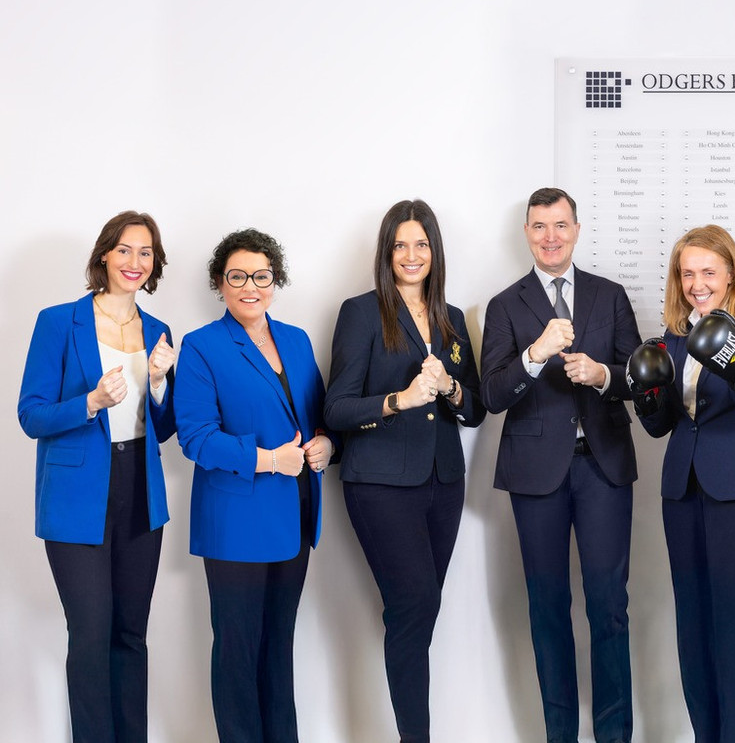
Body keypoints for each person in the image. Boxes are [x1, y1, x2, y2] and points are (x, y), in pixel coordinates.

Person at [480, 187, 641, 743]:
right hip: (536, 473)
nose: (551, 237)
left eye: (560, 225)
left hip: (603, 466)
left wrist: (603, 377)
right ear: (527, 232)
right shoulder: (505, 305)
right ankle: (559, 735)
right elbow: (493, 394)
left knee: (609, 605)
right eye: (539, 226)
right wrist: (534, 354)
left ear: (577, 229)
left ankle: (615, 734)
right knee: (548, 606)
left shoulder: (610, 295)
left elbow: (640, 375)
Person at [324, 199, 485, 742]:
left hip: (444, 480)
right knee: (414, 602)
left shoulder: (453, 319)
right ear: (386, 253)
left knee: (418, 611)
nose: (412, 255)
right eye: (401, 245)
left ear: (435, 251)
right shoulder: (362, 312)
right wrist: (402, 398)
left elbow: (475, 409)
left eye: (422, 244)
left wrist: (451, 388)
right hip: (380, 485)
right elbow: (337, 408)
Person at [18, 210, 176, 742]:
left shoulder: (158, 332)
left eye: (146, 252)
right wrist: (89, 403)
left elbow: (166, 428)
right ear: (104, 254)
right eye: (125, 250)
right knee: (90, 634)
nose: (135, 262)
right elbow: (31, 414)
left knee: (131, 634)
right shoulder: (59, 322)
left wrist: (157, 382)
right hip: (77, 495)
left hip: (140, 491)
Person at [175, 228, 335, 742]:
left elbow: (319, 415)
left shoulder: (296, 339)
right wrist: (270, 459)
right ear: (220, 283)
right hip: (236, 523)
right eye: (237, 276)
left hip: (294, 517)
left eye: (261, 276)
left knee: (279, 646)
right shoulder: (202, 347)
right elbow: (196, 439)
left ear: (275, 279)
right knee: (238, 651)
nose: (250, 286)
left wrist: (325, 445)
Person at [633, 224, 735, 743]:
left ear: (731, 274)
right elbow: (662, 425)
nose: (697, 283)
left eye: (708, 272)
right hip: (684, 488)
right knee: (693, 624)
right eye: (688, 272)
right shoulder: (672, 336)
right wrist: (648, 397)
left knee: (734, 623)